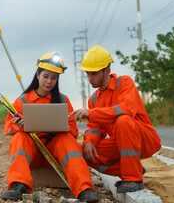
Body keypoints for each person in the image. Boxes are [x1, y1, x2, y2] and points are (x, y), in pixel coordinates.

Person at [1, 52, 100, 202]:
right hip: (33, 154)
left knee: (67, 139)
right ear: (37, 75)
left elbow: (73, 130)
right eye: (46, 76)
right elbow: (8, 128)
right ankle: (18, 186)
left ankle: (84, 189)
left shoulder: (62, 100)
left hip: (54, 154)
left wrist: (62, 127)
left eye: (54, 78)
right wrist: (20, 126)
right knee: (19, 138)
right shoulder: (24, 100)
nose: (49, 81)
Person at [69, 45, 162, 193]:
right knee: (84, 153)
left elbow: (126, 110)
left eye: (94, 74)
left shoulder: (124, 83)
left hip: (144, 138)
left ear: (107, 71)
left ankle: (134, 178)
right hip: (120, 143)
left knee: (123, 120)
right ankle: (130, 169)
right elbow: (95, 127)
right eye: (87, 74)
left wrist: (91, 114)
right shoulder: (93, 100)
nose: (89, 78)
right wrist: (89, 142)